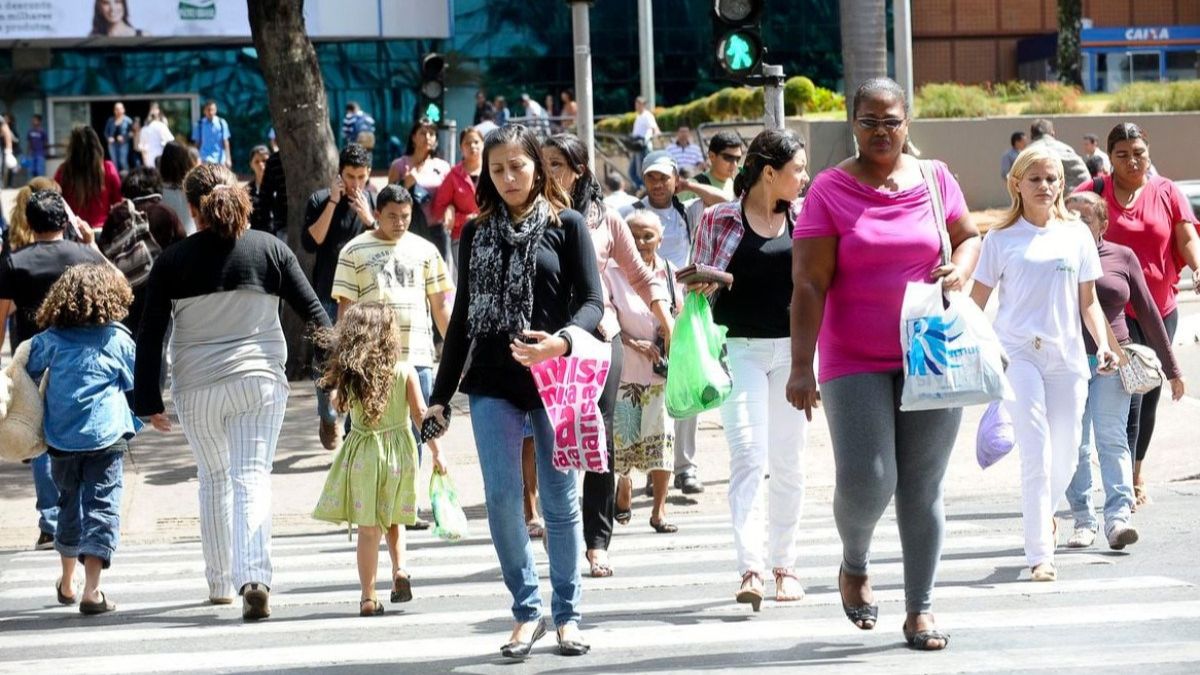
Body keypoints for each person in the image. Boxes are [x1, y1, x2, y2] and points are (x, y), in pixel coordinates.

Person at [789, 78, 981, 651]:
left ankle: (920, 609)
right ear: (853, 123)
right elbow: (808, 283)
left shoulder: (934, 177)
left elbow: (968, 236)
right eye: (869, 121)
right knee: (869, 480)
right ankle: (854, 562)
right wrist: (802, 365)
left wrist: (964, 268)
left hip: (930, 348)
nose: (880, 131)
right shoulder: (829, 189)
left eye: (890, 120)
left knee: (921, 487)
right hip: (853, 356)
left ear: (908, 122)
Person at [426, 124, 603, 658]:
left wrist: (563, 342)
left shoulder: (568, 225)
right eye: (497, 169)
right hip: (492, 384)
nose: (507, 177)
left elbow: (593, 302)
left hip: (556, 379)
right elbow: (460, 323)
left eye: (517, 166)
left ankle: (567, 614)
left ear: (538, 167)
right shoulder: (475, 232)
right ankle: (526, 611)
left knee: (559, 500)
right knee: (504, 503)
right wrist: (440, 395)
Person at [134, 164, 330, 620]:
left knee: (214, 479)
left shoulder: (173, 261)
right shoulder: (271, 250)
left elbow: (151, 334)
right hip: (259, 382)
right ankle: (254, 577)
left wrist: (148, 399)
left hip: (197, 387)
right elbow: (317, 316)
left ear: (192, 207)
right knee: (251, 477)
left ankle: (220, 583)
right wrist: (339, 372)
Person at [970, 146, 1120, 584]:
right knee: (1035, 450)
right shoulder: (999, 239)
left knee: (1068, 454)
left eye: (1052, 179)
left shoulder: (1076, 235)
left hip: (1068, 357)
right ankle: (1040, 552)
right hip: (1017, 355)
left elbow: (1088, 302)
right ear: (1017, 183)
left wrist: (1104, 344)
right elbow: (977, 303)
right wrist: (967, 348)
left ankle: (1045, 518)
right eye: (1034, 179)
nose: (1045, 186)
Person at [542, 132, 674, 578]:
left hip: (600, 338)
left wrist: (666, 320)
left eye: (556, 164)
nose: (547, 173)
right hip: (547, 343)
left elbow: (640, 275)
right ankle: (559, 528)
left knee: (600, 437)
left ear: (578, 170)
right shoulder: (530, 215)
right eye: (542, 163)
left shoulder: (606, 220)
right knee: (553, 437)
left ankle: (597, 542)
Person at [689, 128, 811, 609]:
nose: (803, 178)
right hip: (738, 350)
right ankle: (751, 568)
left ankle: (786, 565)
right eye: (797, 170)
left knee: (789, 462)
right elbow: (695, 282)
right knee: (747, 457)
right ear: (768, 173)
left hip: (795, 355)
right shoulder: (719, 219)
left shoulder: (804, 220)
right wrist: (709, 281)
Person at [1074, 123, 1200, 507]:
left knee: (1148, 391)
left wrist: (1197, 266)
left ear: (1149, 152)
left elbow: (1186, 235)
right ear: (1109, 157)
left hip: (1158, 308)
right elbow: (1057, 219)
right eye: (1122, 154)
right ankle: (1122, 482)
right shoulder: (1094, 191)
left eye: (1139, 152)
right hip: (1111, 309)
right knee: (1125, 397)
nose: (1132, 160)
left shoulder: (1166, 191)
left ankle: (1135, 469)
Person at [1063, 191, 1182, 551]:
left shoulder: (1121, 256)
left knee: (1112, 437)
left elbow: (1148, 310)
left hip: (1111, 360)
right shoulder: (1055, 257)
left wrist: (1173, 368)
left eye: (1085, 218)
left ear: (1103, 223)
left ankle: (1118, 519)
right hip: (1065, 363)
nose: (1077, 225)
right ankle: (1083, 520)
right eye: (1070, 218)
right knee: (1075, 444)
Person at [26, 264, 148, 615]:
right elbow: (137, 384)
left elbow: (25, 371)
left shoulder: (49, 338)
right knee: (103, 506)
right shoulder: (117, 339)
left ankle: (67, 582)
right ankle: (92, 591)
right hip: (105, 438)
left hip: (61, 439)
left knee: (68, 503)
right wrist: (144, 417)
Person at [312, 302, 446, 616]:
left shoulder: (351, 375)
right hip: (399, 455)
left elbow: (338, 406)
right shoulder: (404, 371)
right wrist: (438, 453)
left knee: (368, 530)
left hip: (363, 456)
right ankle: (400, 570)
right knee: (394, 519)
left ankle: (367, 597)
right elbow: (420, 416)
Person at [332, 184, 453, 450]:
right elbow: (346, 313)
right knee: (367, 439)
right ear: (377, 213)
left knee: (416, 441)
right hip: (371, 362)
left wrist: (458, 352)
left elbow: (440, 306)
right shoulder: (353, 252)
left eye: (405, 216)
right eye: (392, 216)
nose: (400, 223)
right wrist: (342, 366)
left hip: (418, 359)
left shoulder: (426, 251)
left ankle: (409, 492)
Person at [619, 150, 707, 497]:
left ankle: (685, 467)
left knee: (684, 392)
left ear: (674, 179)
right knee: (643, 395)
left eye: (664, 177)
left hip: (680, 309)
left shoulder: (687, 210)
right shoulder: (630, 214)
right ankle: (651, 471)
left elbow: (727, 199)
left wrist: (688, 186)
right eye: (651, 177)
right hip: (638, 311)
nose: (657, 184)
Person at [608, 209, 681, 535]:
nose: (640, 242)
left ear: (660, 239)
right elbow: (603, 319)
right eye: (633, 235)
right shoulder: (610, 273)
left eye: (647, 236)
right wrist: (634, 342)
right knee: (623, 444)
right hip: (624, 373)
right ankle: (624, 486)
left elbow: (680, 316)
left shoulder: (670, 273)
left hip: (661, 376)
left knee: (662, 442)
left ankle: (659, 510)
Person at [303, 143, 377, 451]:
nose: (356, 184)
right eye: (350, 176)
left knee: (359, 359)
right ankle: (327, 413)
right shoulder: (320, 199)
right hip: (326, 291)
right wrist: (333, 202)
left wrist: (369, 218)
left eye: (361, 176)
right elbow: (313, 241)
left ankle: (350, 427)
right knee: (326, 358)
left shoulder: (371, 201)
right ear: (339, 175)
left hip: (362, 296)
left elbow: (382, 240)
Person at [97, 167, 187, 337]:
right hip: (160, 294)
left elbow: (103, 252)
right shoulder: (165, 213)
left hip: (126, 294)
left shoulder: (117, 214)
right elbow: (182, 252)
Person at [388, 117, 451, 258]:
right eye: (423, 133)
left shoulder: (443, 166)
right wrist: (405, 184)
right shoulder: (399, 165)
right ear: (413, 137)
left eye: (432, 134)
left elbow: (450, 197)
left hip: (436, 230)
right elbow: (387, 200)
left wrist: (450, 208)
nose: (427, 137)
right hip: (409, 230)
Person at [432, 127, 484, 271]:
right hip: (462, 238)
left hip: (491, 235)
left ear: (483, 144)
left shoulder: (493, 171)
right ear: (461, 147)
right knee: (466, 284)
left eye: (476, 142)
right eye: (467, 143)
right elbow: (438, 209)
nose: (472, 146)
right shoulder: (453, 175)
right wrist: (462, 218)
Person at [54, 126, 123, 231]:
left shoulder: (63, 171)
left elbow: (55, 201)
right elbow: (118, 202)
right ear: (97, 146)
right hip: (103, 231)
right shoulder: (108, 168)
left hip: (74, 232)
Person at [1027, 119, 1089, 194]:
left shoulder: (1025, 154)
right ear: (1053, 134)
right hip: (1066, 201)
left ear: (1031, 136)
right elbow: (1085, 179)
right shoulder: (1067, 150)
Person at [159, 141, 200, 235]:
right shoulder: (194, 190)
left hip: (168, 246)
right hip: (192, 241)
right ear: (186, 161)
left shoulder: (158, 193)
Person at [628, 96, 659, 190]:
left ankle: (646, 189)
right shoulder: (638, 116)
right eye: (636, 104)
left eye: (639, 104)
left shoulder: (647, 115)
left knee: (645, 171)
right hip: (636, 146)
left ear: (643, 105)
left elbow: (654, 129)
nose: (637, 106)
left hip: (644, 147)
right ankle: (642, 188)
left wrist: (646, 139)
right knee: (632, 172)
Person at [191, 100, 232, 168]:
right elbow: (197, 143)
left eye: (212, 110)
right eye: (208, 110)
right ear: (204, 111)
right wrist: (195, 159)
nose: (210, 112)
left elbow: (226, 142)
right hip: (204, 159)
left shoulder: (222, 123)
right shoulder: (199, 124)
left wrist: (228, 159)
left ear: (215, 110)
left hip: (219, 160)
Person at [246, 145, 276, 235]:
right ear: (251, 164)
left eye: (264, 161)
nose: (261, 165)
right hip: (254, 234)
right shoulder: (247, 190)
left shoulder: (277, 187)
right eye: (257, 162)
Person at [105, 102, 134, 175]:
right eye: (116, 109)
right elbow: (105, 132)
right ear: (114, 110)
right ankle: (116, 180)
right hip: (112, 144)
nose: (118, 111)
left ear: (123, 110)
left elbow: (132, 133)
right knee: (114, 162)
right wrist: (109, 138)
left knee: (123, 161)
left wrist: (124, 137)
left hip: (123, 144)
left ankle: (127, 178)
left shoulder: (128, 120)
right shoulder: (110, 120)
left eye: (120, 109)